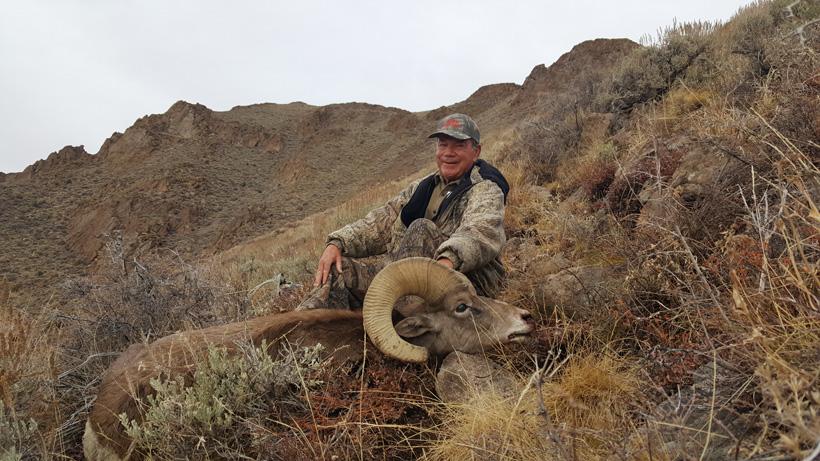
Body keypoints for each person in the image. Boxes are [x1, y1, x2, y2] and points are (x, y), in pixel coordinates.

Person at [297, 113, 509, 310]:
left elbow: (480, 231)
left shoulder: (486, 188)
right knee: (338, 270)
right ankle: (303, 331)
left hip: (463, 284)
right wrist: (337, 243)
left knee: (421, 228)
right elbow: (381, 222)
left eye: (459, 145)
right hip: (404, 279)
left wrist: (446, 262)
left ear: (476, 151)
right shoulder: (422, 187)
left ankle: (398, 326)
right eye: (443, 144)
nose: (448, 153)